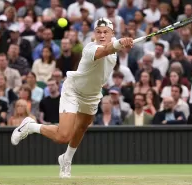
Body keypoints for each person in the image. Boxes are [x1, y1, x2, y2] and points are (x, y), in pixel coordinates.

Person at [10, 17, 134, 178]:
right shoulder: (90, 49)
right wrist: (120, 43)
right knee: (63, 136)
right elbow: (105, 50)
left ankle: (66, 159)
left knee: (82, 127)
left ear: (112, 34)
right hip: (73, 90)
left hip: (93, 95)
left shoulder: (114, 45)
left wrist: (124, 42)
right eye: (98, 32)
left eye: (106, 32)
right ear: (94, 34)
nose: (102, 35)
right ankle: (30, 126)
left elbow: (113, 46)